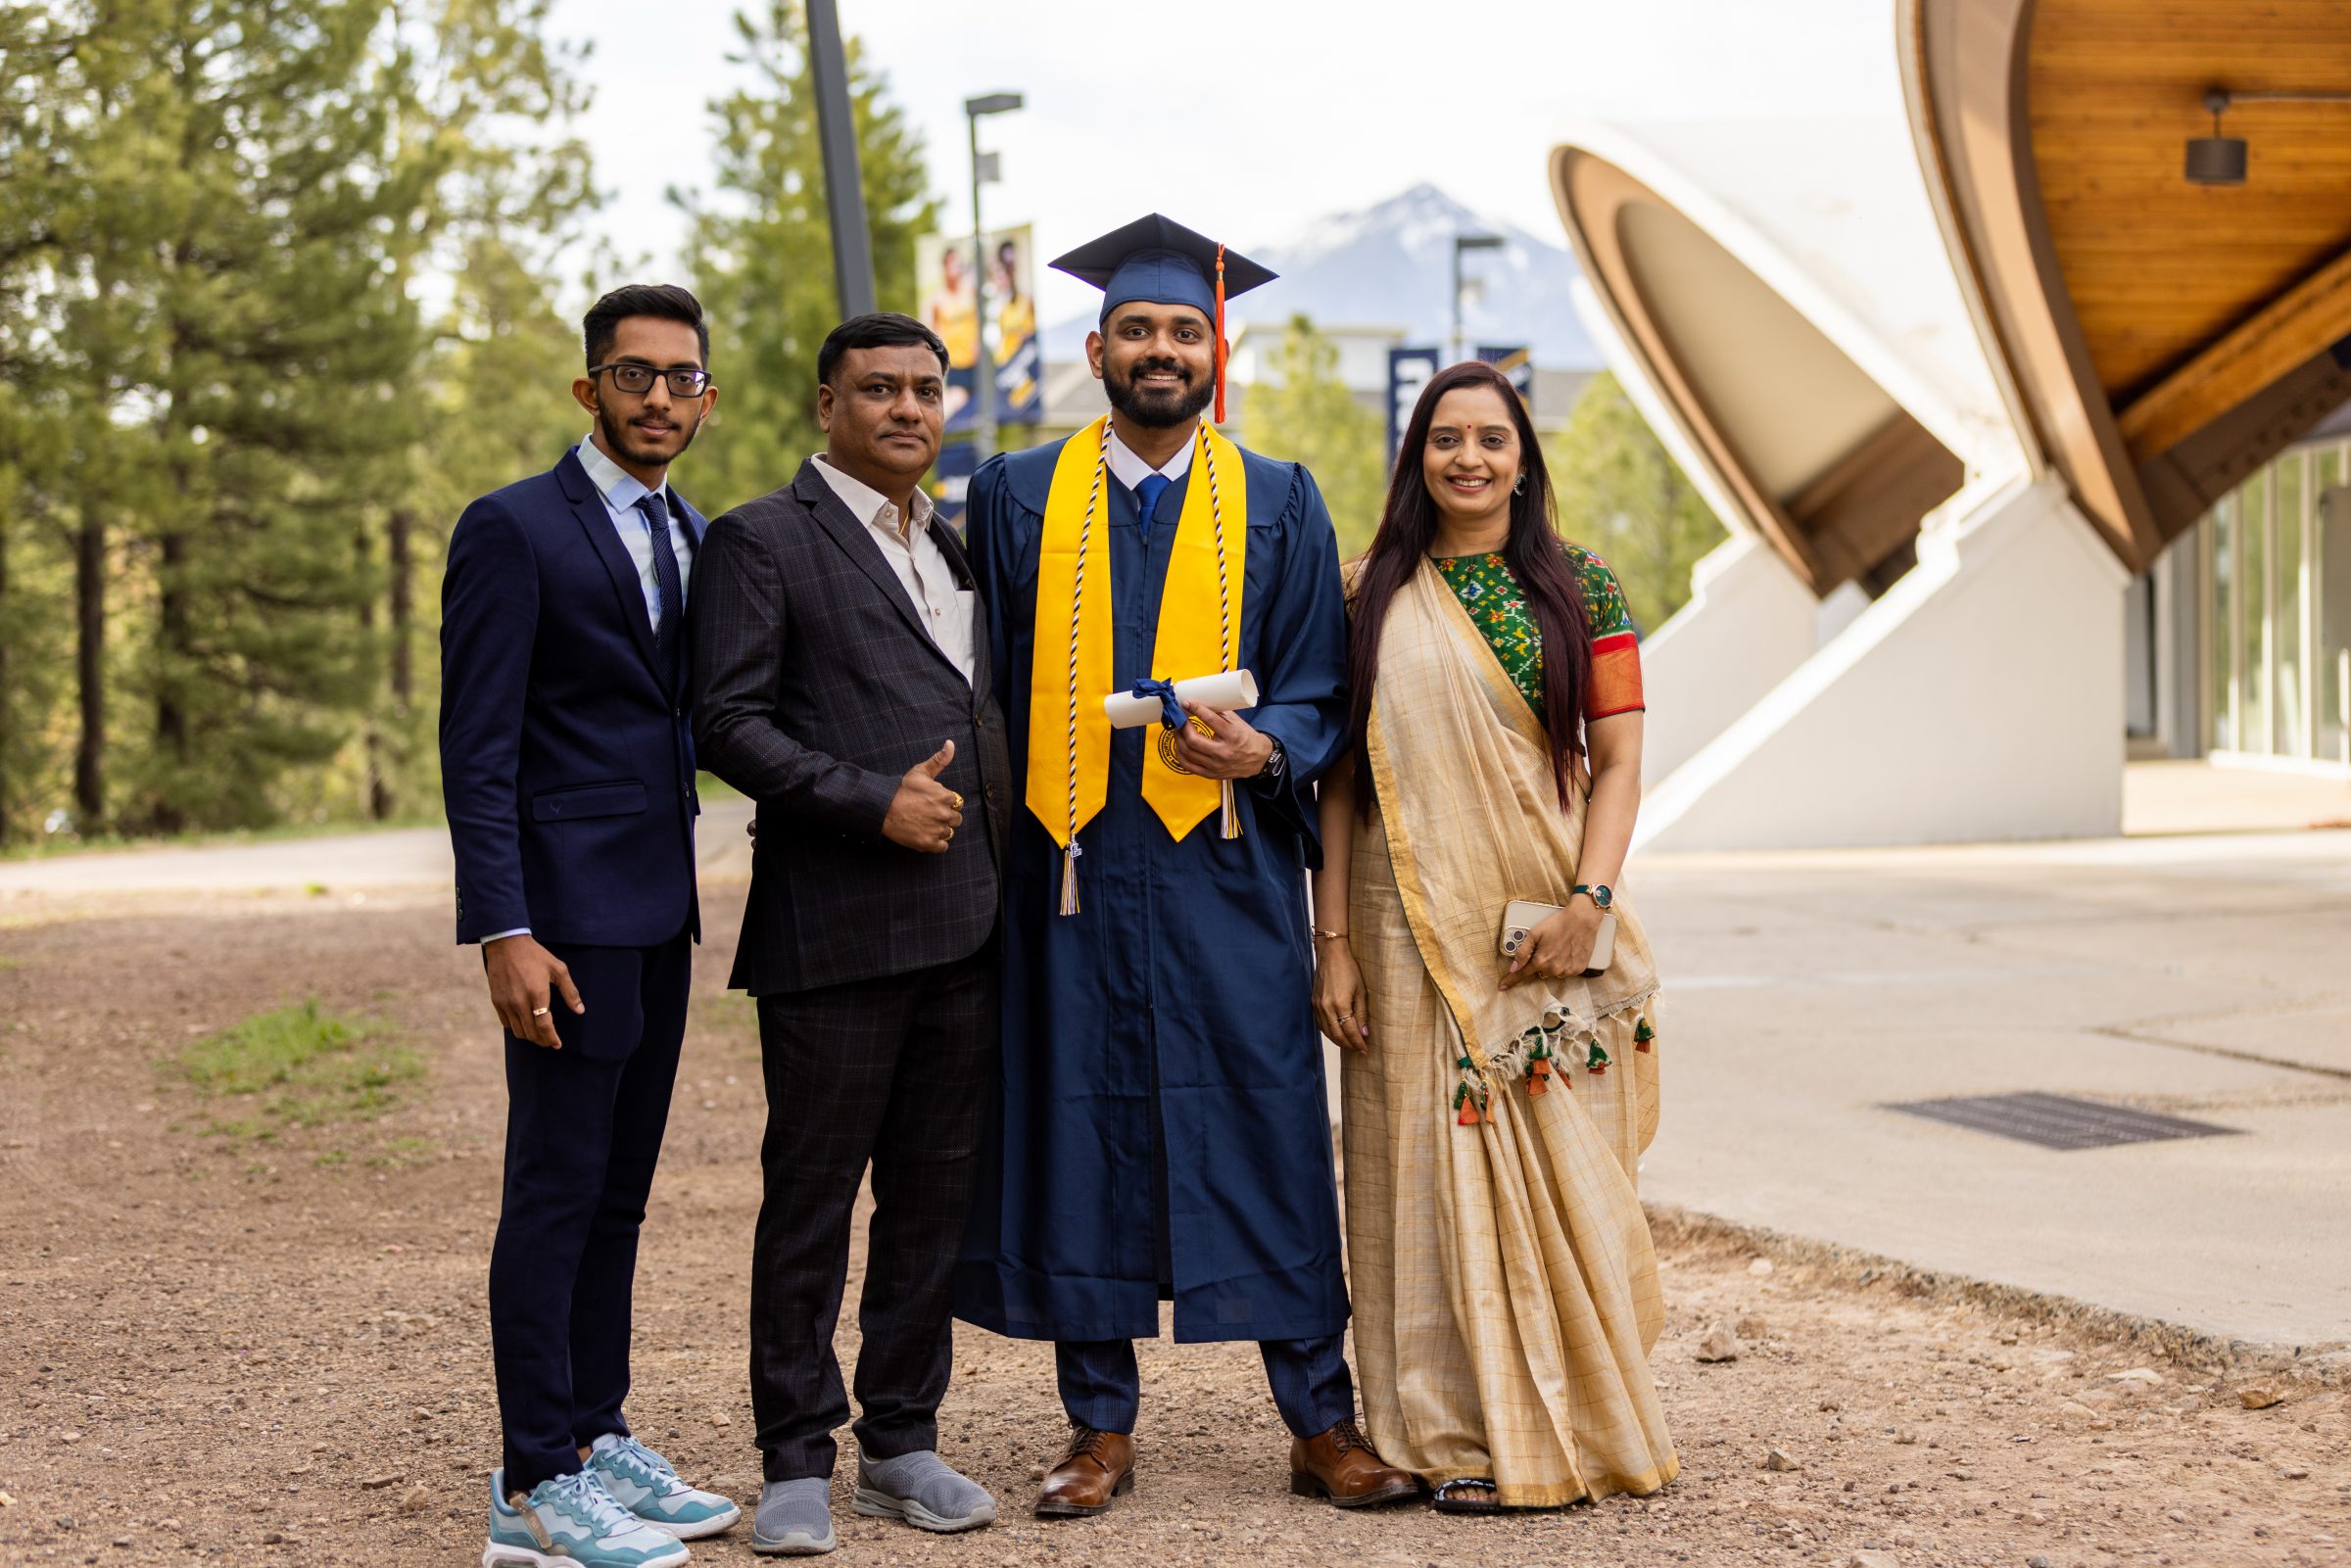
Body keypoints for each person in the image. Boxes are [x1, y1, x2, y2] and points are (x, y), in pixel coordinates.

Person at [953, 214, 1415, 1518]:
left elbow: (1320, 688)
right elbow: (975, 674)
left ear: (1218, 346)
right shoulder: (1017, 493)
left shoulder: (1278, 496)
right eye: (1139, 329)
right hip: (1072, 869)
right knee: (1075, 1121)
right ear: (1096, 346)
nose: (1161, 349)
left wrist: (1263, 744)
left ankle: (1320, 1420)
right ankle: (1097, 1427)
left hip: (1224, 875)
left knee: (1263, 1123)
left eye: (1183, 331)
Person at [1311, 359, 1677, 1515]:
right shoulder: (1365, 590)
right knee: (1413, 1168)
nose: (1468, 458)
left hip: (1542, 918)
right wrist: (1332, 938)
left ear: (1525, 456)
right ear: (1417, 455)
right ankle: (1444, 1428)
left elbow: (1616, 762)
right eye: (1445, 438)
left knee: (1567, 1173)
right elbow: (1336, 780)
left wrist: (1590, 903)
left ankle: (1563, 1415)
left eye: (1493, 439)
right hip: (1393, 914)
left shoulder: (1584, 590)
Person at [689, 311, 1011, 1556]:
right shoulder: (761, 540)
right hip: (835, 930)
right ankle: (792, 1455)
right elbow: (725, 722)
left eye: (927, 390)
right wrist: (866, 798)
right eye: (879, 390)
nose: (908, 409)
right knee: (812, 1197)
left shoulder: (961, 548)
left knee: (932, 1198)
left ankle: (902, 1441)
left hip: (972, 928)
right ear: (827, 405)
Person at [443, 283, 740, 1568]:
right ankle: (530, 1479)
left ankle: (595, 1427)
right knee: (555, 1190)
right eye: (634, 376)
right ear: (589, 389)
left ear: (707, 399)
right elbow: (479, 750)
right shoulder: (513, 530)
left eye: (681, 379)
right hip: (560, 922)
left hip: (657, 916)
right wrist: (504, 926)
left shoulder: (702, 536)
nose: (659, 398)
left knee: (619, 1195)